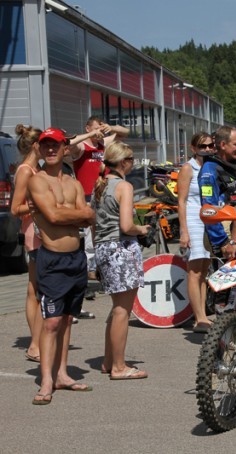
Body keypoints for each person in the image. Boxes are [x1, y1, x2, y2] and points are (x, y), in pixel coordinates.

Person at [27, 128, 96, 405]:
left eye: (55, 145)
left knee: (67, 319)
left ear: (65, 148)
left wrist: (72, 213)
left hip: (76, 258)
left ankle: (62, 374)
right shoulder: (37, 180)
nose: (51, 150)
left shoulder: (73, 182)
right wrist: (76, 214)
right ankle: (46, 381)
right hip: (52, 259)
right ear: (39, 148)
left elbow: (89, 216)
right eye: (46, 145)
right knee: (52, 321)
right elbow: (53, 216)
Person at [92, 142, 150, 380]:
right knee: (122, 311)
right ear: (124, 162)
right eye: (132, 159)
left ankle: (109, 360)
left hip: (103, 247)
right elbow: (126, 225)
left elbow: (94, 224)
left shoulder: (100, 184)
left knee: (116, 308)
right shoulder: (124, 186)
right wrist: (142, 229)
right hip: (121, 248)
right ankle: (119, 366)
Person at [69, 116, 129, 307]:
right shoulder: (82, 147)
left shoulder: (103, 143)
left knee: (103, 236)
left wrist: (111, 128)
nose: (99, 133)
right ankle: (88, 276)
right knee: (89, 239)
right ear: (87, 128)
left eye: (101, 130)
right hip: (86, 197)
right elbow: (70, 143)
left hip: (103, 195)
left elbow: (124, 133)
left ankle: (100, 271)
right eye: (95, 129)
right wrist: (89, 135)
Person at [11, 124, 43, 363]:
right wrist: (38, 205)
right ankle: (36, 344)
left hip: (41, 232)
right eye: (45, 144)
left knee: (36, 289)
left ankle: (38, 341)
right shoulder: (25, 171)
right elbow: (15, 208)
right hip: (34, 233)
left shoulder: (36, 168)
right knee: (36, 291)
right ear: (35, 146)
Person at [177, 132, 215, 334]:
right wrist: (184, 231)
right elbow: (181, 201)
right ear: (193, 148)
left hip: (210, 219)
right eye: (202, 146)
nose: (207, 149)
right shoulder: (188, 168)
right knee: (194, 270)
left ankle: (203, 315)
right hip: (193, 219)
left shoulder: (212, 166)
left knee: (204, 269)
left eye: (210, 145)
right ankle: (198, 317)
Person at [198, 125, 236, 259]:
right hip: (223, 233)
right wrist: (222, 241)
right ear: (223, 145)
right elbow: (209, 208)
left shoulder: (234, 164)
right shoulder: (209, 170)